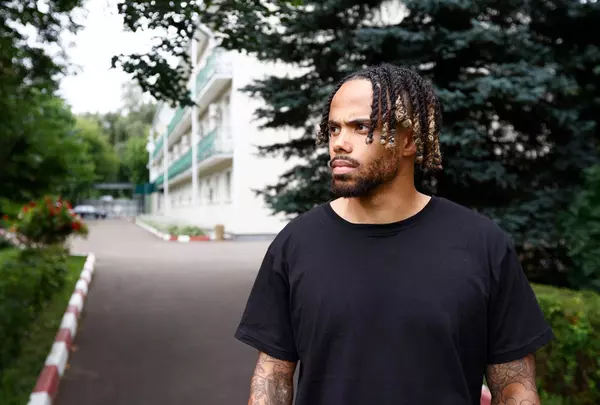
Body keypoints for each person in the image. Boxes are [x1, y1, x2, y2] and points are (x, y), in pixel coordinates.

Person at [234, 63, 554, 405]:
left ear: (409, 140)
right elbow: (272, 376)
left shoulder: (481, 244)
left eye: (360, 127)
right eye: (334, 128)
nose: (339, 143)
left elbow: (516, 386)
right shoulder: (296, 243)